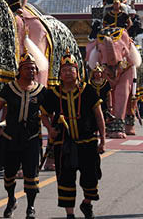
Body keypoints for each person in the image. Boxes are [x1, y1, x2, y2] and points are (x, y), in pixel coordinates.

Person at [0, 53, 47, 219]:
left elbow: (46, 114)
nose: (31, 71)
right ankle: (11, 199)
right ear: (20, 70)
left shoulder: (41, 91)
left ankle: (30, 207)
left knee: (31, 176)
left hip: (31, 139)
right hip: (10, 138)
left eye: (33, 68)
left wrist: (51, 129)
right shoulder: (10, 88)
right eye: (27, 68)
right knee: (9, 175)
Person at [41, 54, 106, 219]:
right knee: (65, 178)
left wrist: (103, 140)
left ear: (78, 72)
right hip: (64, 144)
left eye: (71, 70)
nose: (68, 73)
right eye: (64, 70)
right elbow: (43, 114)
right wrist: (50, 129)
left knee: (91, 177)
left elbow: (99, 116)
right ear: (60, 74)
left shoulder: (88, 90)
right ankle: (70, 214)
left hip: (88, 142)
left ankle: (87, 203)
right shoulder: (53, 93)